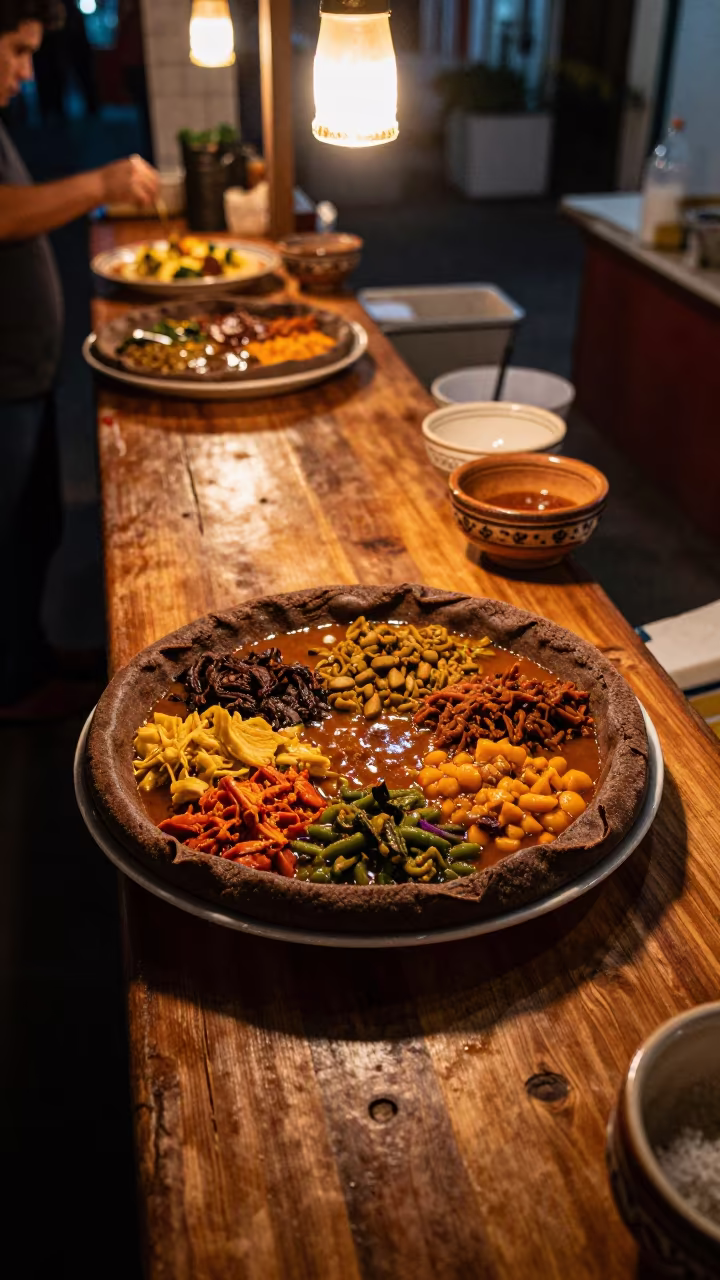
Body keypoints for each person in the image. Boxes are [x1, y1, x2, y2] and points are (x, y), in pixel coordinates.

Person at [0, 0, 158, 714]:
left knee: (35, 528)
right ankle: (11, 687)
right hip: (2, 382)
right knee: (4, 537)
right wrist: (99, 185)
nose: (25, 72)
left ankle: (28, 662)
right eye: (13, 52)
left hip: (21, 375)